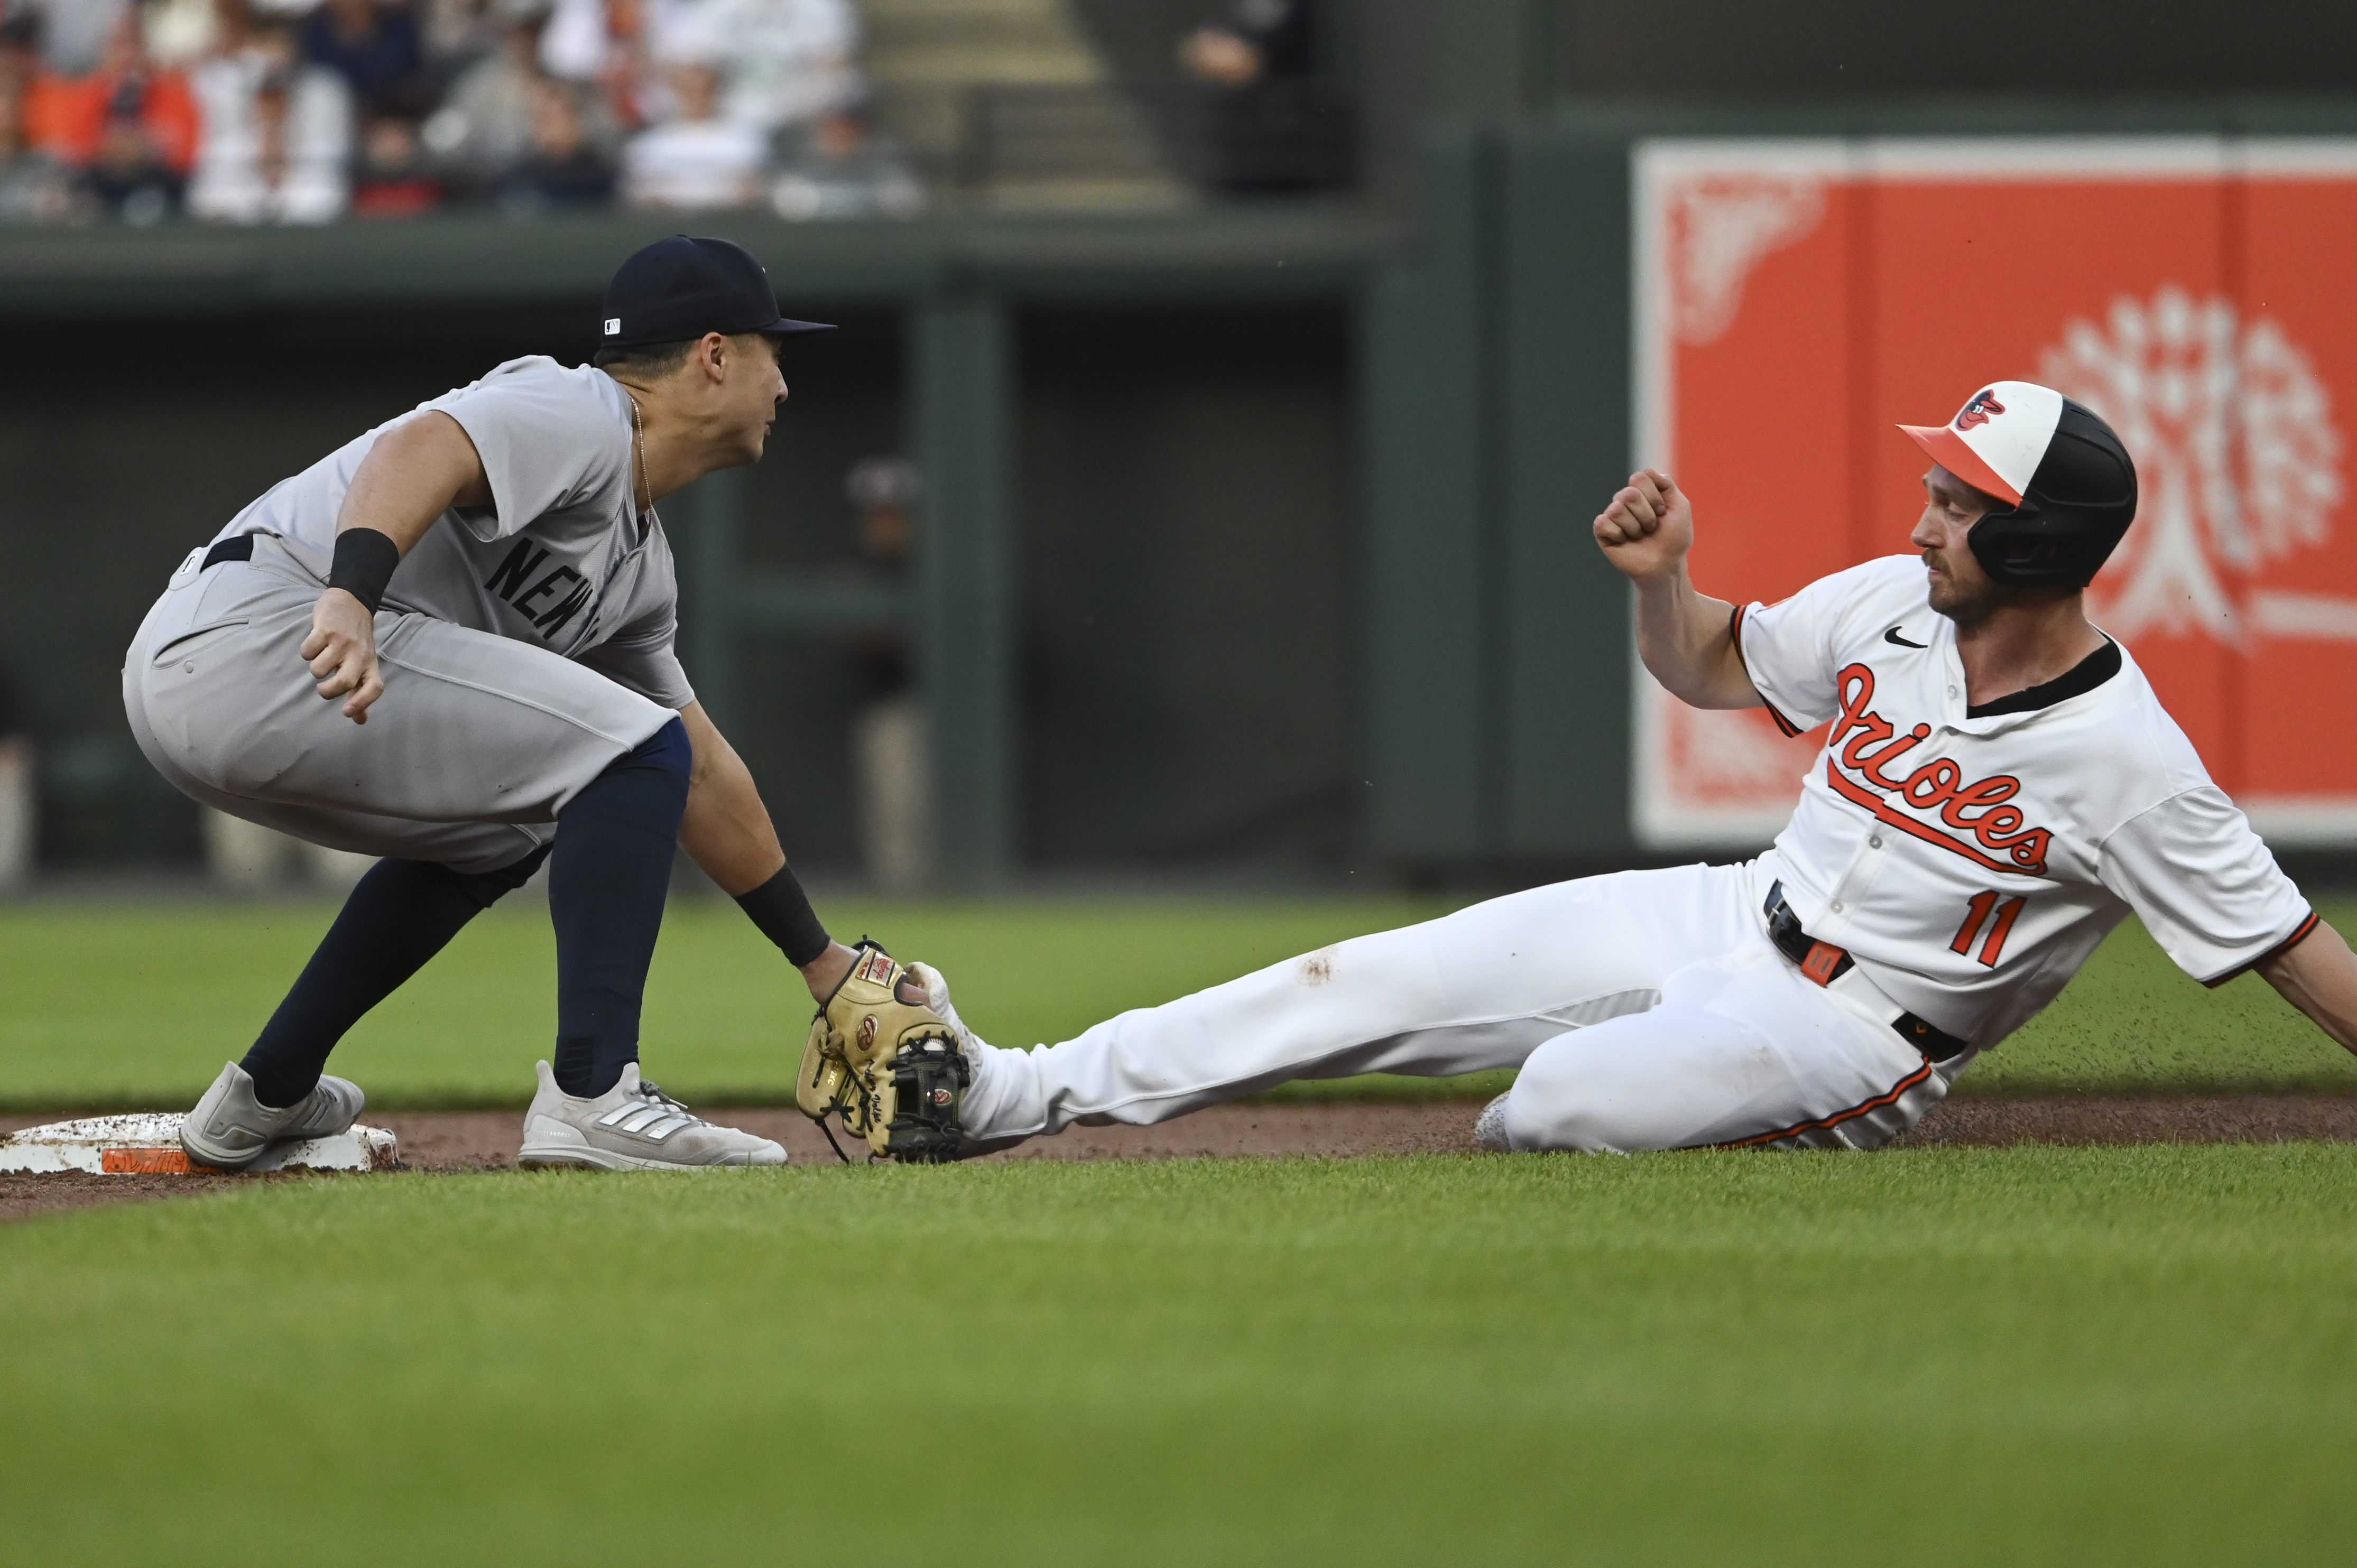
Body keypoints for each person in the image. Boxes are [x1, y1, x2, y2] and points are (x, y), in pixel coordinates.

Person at [881, 382, 2357, 1159]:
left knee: (1554, 1101)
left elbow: (2290, 949)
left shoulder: (2126, 760)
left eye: (1957, 503)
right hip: (1732, 907)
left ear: (2035, 543)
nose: (1922, 517)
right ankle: (1007, 1092)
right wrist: (1665, 584)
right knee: (1363, 978)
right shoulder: (1890, 602)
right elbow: (1713, 666)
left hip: (1857, 1038)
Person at [125, 234, 922, 1172]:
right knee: (629, 752)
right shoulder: (581, 406)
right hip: (267, 628)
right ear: (714, 355)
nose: (782, 388)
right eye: (772, 356)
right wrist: (351, 589)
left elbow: (699, 767)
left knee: (511, 828)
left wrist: (819, 959)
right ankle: (594, 1093)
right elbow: (419, 443)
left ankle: (265, 1092)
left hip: (254, 680)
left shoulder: (639, 571)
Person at [618, 57, 758, 209]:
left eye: (705, 91)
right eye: (690, 91)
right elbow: (642, 194)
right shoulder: (649, 146)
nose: (697, 98)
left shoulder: (745, 143)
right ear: (678, 92)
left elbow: (751, 192)